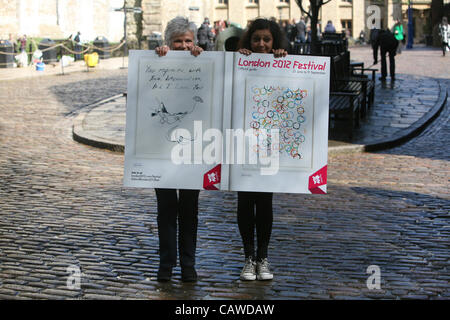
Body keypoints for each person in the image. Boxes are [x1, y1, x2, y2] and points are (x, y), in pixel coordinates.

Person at [153, 16, 204, 282]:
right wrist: (159, 56)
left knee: (189, 209)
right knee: (166, 208)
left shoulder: (203, 61)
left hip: (191, 148)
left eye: (188, 41)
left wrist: (203, 58)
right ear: (168, 43)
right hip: (162, 148)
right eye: (177, 41)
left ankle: (188, 264)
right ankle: (166, 263)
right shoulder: (157, 60)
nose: (184, 46)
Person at [237, 18, 288, 281]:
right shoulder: (238, 60)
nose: (261, 44)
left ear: (274, 42)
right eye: (256, 39)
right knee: (245, 202)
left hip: (270, 145)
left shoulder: (284, 61)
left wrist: (283, 59)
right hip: (242, 143)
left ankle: (263, 257)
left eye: (266, 40)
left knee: (265, 202)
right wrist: (238, 59)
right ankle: (248, 257)